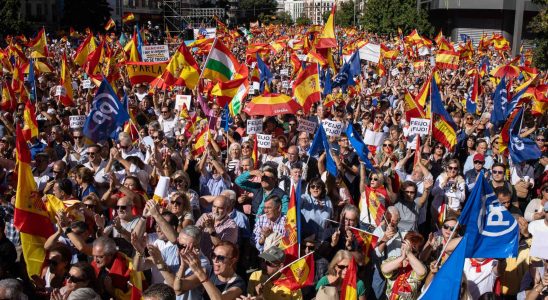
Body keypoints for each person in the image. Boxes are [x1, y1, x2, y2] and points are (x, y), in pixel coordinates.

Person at [381, 232, 427, 300]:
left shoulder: (417, 265)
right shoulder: (393, 259)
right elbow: (384, 269)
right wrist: (402, 257)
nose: (408, 249)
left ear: (418, 252)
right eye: (406, 246)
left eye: (413, 250)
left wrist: (408, 253)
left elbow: (422, 272)